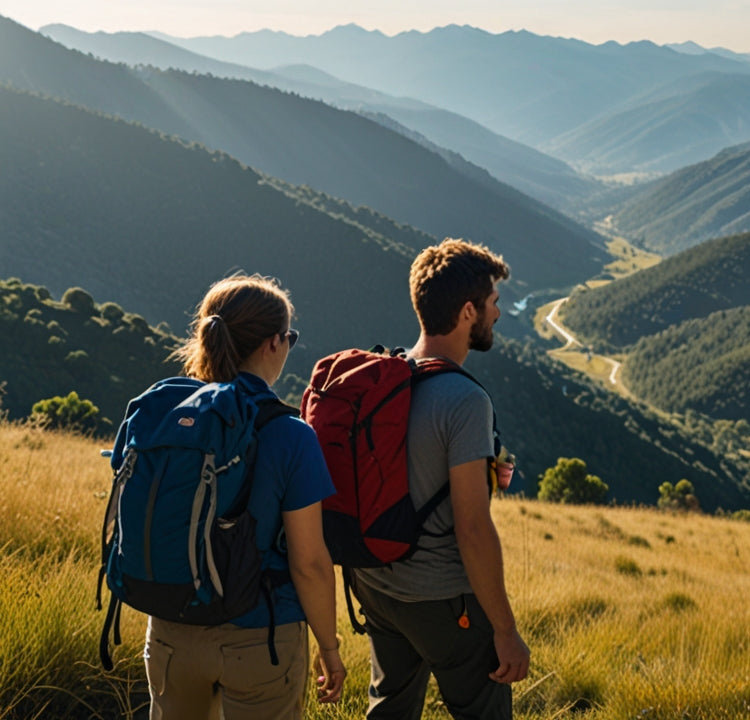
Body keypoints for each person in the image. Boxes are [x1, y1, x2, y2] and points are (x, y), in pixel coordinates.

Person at [118, 274, 346, 718]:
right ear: (273, 344)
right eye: (289, 337)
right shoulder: (290, 434)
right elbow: (310, 562)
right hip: (261, 636)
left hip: (169, 630)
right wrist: (329, 647)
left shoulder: (158, 414)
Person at [352, 238, 530, 719]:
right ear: (468, 311)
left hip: (375, 583)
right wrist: (506, 631)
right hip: (441, 597)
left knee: (390, 707)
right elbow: (472, 528)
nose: (498, 313)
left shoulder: (384, 380)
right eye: (494, 303)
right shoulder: (465, 401)